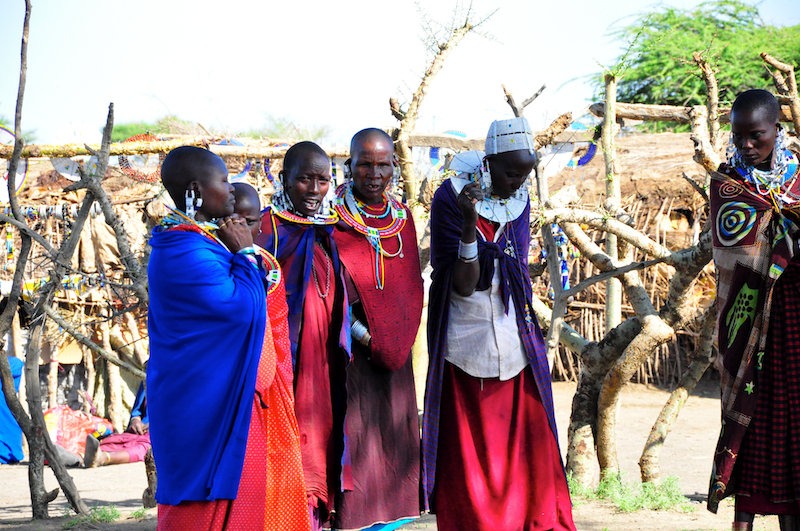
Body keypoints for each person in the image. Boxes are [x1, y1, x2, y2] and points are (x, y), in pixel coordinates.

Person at [423, 117, 575, 531]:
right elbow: (463, 282)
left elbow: (515, 264)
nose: (517, 182)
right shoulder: (450, 197)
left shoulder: (520, 200)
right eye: (511, 172)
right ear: (488, 163)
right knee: (473, 452)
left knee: (531, 444)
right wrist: (471, 225)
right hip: (464, 341)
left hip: (514, 338)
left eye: (525, 173)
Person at [148, 145, 271, 529]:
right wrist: (247, 253)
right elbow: (240, 309)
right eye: (223, 180)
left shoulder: (201, 242)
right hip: (197, 399)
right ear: (196, 191)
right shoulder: (183, 249)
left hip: (218, 392)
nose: (232, 189)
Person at [708, 89, 800, 531]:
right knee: (754, 416)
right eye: (739, 135)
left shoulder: (799, 180)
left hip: (796, 319)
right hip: (750, 327)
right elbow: (731, 255)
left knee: (795, 415)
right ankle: (743, 517)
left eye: (756, 135)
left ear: (776, 131)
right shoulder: (727, 185)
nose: (746, 144)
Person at [330, 128, 423, 530]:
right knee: (357, 435)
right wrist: (364, 334)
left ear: (394, 167)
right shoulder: (332, 219)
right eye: (365, 164)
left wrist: (392, 336)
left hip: (396, 353)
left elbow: (412, 286)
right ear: (350, 165)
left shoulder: (402, 221)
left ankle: (393, 521)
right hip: (349, 353)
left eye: (383, 164)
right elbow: (329, 287)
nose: (374, 173)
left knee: (394, 437)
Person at [255, 142, 350, 531]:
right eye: (305, 179)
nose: (314, 189)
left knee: (324, 433)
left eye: (323, 180)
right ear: (284, 180)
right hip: (283, 356)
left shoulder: (336, 226)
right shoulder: (264, 229)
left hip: (327, 357)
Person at [232, 182, 310, 531]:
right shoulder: (217, 261)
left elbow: (274, 326)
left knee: (273, 469)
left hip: (270, 381)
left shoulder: (265, 265)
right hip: (232, 384)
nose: (239, 230)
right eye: (231, 220)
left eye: (248, 221)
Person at [83, 382, 151, 467]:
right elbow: (137, 411)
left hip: (159, 436)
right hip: (140, 433)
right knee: (115, 441)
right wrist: (135, 420)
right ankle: (78, 457)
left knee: (144, 448)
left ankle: (103, 458)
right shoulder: (148, 377)